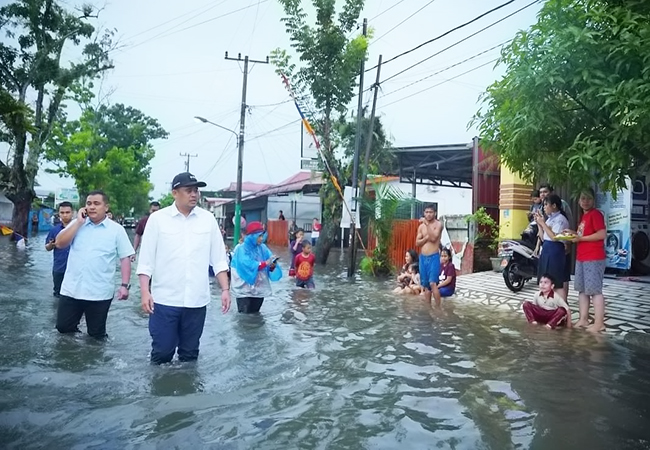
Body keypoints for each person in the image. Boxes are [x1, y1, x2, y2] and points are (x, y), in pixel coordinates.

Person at [136, 173, 230, 364]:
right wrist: (145, 292)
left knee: (189, 355)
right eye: (188, 190)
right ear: (174, 193)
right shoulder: (158, 220)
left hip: (196, 301)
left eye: (196, 190)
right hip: (164, 301)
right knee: (162, 353)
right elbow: (146, 261)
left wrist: (225, 290)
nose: (194, 194)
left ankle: (188, 391)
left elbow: (219, 259)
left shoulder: (208, 219)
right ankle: (158, 391)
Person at [54, 190, 134, 339]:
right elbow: (59, 243)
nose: (92, 207)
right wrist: (78, 222)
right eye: (89, 203)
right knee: (63, 328)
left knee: (96, 335)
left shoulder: (117, 230)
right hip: (71, 289)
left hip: (99, 292)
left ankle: (95, 358)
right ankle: (73, 355)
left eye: (96, 204)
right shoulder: (77, 224)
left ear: (106, 207)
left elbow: (125, 258)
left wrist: (124, 285)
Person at [566, 188, 607, 332]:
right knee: (582, 290)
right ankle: (584, 319)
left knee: (595, 291)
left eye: (588, 198)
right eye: (583, 198)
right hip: (582, 257)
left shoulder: (595, 214)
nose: (585, 201)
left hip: (594, 257)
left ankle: (599, 323)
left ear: (593, 200)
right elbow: (583, 235)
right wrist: (573, 234)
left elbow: (602, 234)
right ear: (578, 201)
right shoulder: (584, 216)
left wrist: (580, 238)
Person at [230, 221, 282, 313]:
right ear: (252, 236)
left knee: (255, 315)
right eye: (259, 236)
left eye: (262, 235)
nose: (261, 238)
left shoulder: (263, 248)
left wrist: (272, 265)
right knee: (244, 316)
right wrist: (265, 263)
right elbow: (247, 264)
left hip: (258, 289)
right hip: (244, 290)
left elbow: (269, 262)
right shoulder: (241, 249)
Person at [534, 194, 570, 300]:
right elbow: (543, 237)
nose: (544, 207)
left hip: (555, 252)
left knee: (556, 283)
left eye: (546, 205)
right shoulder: (549, 219)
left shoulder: (560, 219)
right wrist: (539, 224)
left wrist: (543, 223)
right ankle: (548, 306)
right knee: (545, 281)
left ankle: (562, 307)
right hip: (546, 250)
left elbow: (554, 237)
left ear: (554, 205)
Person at [45, 202, 74, 297]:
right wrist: (51, 245)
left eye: (67, 212)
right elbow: (47, 248)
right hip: (59, 267)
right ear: (59, 214)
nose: (65, 215)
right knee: (58, 294)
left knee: (75, 295)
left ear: (72, 213)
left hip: (75, 269)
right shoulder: (54, 230)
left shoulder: (79, 229)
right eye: (62, 212)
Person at [416, 204, 443, 307]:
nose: (428, 214)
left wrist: (427, 224)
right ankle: (428, 308)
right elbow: (417, 243)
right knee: (426, 286)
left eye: (430, 212)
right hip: (423, 258)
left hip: (433, 257)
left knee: (433, 283)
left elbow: (433, 238)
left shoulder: (438, 224)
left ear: (435, 213)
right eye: (426, 212)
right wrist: (425, 238)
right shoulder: (421, 227)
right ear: (424, 213)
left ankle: (438, 307)